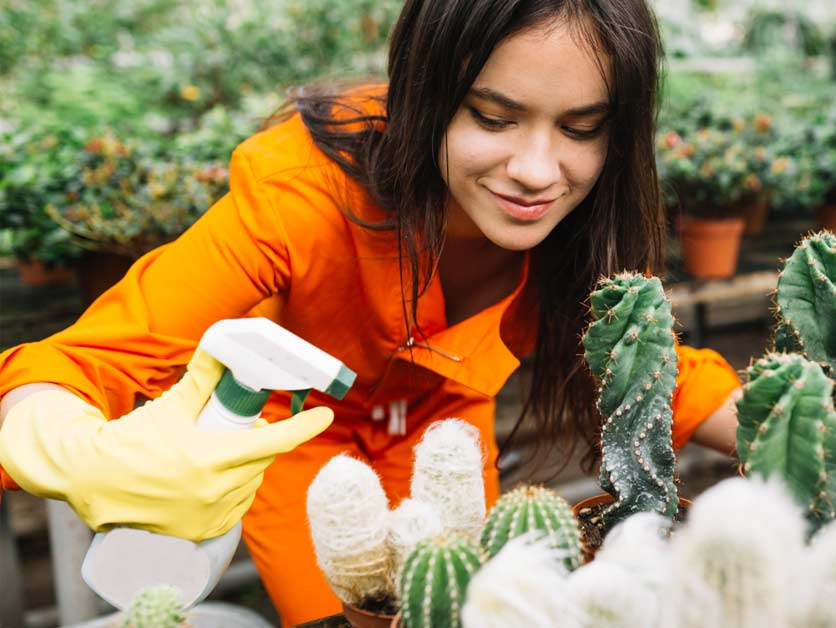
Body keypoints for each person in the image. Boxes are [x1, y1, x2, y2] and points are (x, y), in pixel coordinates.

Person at [0, 1, 747, 624]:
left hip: (445, 434)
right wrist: (70, 449)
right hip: (293, 435)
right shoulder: (302, 190)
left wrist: (808, 438)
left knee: (462, 609)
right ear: (425, 98)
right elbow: (78, 362)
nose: (537, 171)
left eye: (582, 128)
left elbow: (646, 366)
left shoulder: (591, 220)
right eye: (492, 117)